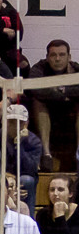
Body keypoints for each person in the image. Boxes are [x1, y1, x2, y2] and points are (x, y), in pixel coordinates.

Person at [27, 39, 79, 172]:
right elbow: (36, 89)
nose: (57, 59)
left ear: (69, 57)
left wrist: (58, 89)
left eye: (62, 55)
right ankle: (46, 154)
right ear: (47, 57)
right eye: (53, 55)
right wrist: (65, 95)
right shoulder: (39, 68)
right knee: (38, 102)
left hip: (70, 109)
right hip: (47, 108)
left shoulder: (76, 68)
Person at [0, 104, 42, 216]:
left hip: (21, 179)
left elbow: (30, 169)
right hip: (0, 177)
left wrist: (19, 144)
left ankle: (28, 219)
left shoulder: (34, 141)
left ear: (26, 124)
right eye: (12, 122)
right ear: (4, 122)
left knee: (27, 181)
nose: (15, 126)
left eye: (19, 122)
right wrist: (6, 178)